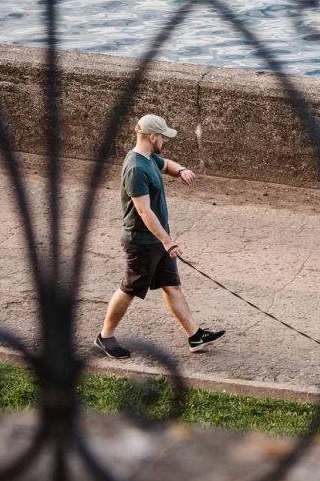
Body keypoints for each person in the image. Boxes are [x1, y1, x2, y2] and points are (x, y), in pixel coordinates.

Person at [96, 114, 225, 358]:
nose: (165, 141)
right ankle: (105, 336)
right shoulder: (135, 168)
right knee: (129, 289)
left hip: (158, 240)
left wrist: (182, 170)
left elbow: (167, 165)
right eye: (163, 137)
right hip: (142, 242)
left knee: (171, 286)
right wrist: (168, 242)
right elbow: (144, 212)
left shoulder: (149, 159)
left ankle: (195, 336)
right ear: (152, 137)